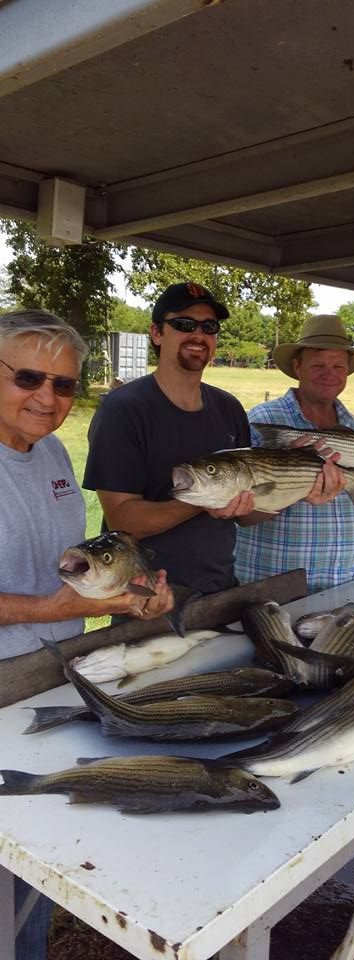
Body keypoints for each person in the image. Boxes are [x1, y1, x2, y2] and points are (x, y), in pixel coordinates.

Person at [0, 309, 174, 960]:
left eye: (65, 385)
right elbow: (45, 598)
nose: (46, 397)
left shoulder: (49, 451)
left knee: (36, 849)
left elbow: (71, 564)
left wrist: (127, 596)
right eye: (27, 377)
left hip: (51, 681)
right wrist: (39, 612)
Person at [83, 282, 259, 594]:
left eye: (209, 326)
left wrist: (296, 484)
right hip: (147, 597)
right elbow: (124, 519)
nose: (199, 335)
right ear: (157, 333)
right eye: (184, 324)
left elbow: (247, 515)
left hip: (220, 589)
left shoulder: (229, 409)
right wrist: (205, 501)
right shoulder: (123, 409)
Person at [235, 314, 354, 593]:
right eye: (319, 365)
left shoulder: (353, 426)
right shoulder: (263, 420)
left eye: (338, 365)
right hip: (276, 588)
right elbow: (243, 516)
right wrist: (295, 481)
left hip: (345, 583)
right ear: (298, 366)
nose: (330, 373)